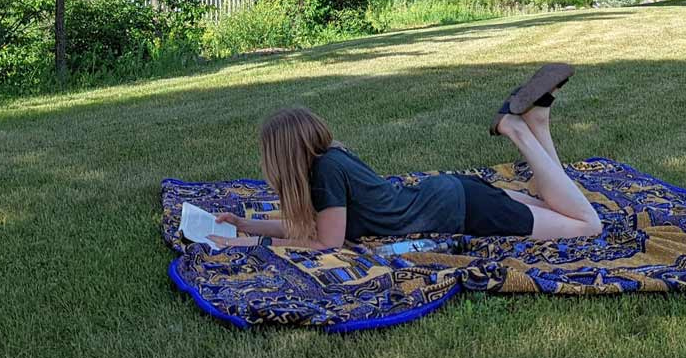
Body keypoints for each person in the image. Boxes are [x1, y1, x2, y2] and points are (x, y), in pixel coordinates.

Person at [211, 63, 602, 250]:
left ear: (282, 156)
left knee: (588, 225)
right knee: (556, 204)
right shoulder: (330, 157)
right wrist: (246, 225)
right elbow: (310, 229)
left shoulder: (324, 173)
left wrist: (249, 246)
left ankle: (515, 129)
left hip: (464, 209)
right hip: (453, 194)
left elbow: (326, 244)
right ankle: (539, 121)